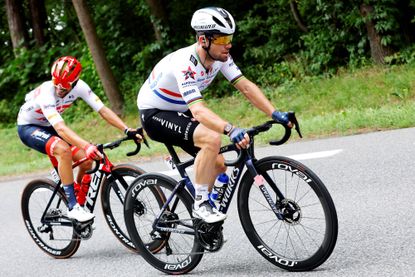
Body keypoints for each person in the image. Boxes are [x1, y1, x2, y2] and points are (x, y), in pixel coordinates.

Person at [137, 7, 291, 223]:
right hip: (155, 113)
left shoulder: (221, 57)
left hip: (180, 108)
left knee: (219, 164)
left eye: (230, 37)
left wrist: (276, 113)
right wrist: (230, 129)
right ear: (203, 40)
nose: (228, 43)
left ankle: (202, 214)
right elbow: (199, 110)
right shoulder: (185, 64)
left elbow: (245, 87)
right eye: (222, 38)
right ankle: (200, 204)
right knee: (212, 138)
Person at [17, 56, 142, 222]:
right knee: (62, 149)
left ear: (75, 82)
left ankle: (79, 198)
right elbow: (61, 128)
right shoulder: (47, 92)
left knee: (86, 161)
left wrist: (127, 129)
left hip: (50, 126)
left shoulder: (81, 87)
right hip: (29, 127)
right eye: (57, 83)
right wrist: (87, 145)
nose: (60, 89)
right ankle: (73, 206)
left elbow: (103, 110)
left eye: (65, 86)